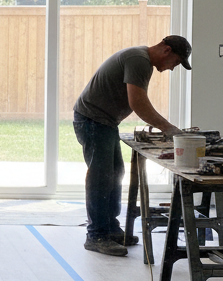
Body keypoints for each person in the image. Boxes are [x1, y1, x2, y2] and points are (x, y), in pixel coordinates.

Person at [73, 35, 191, 256]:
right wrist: (168, 128)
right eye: (176, 62)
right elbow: (137, 102)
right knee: (101, 177)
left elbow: (137, 101)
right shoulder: (139, 60)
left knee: (115, 173)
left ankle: (110, 229)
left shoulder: (140, 59)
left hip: (103, 122)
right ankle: (96, 235)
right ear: (166, 50)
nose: (174, 68)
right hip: (92, 120)